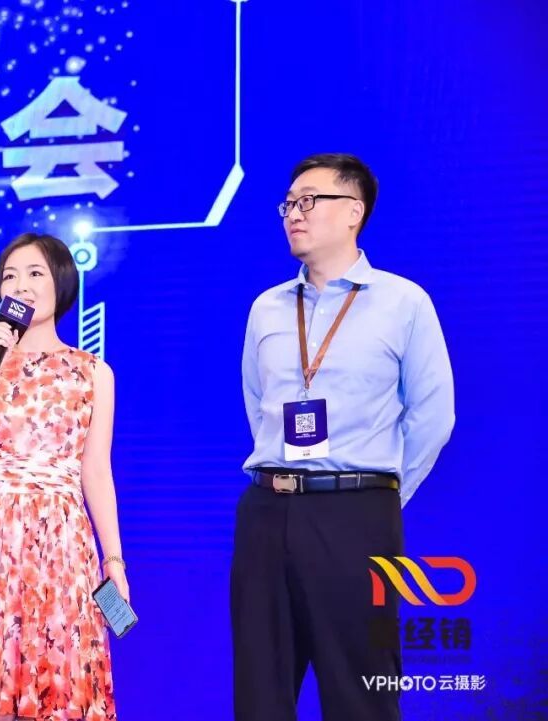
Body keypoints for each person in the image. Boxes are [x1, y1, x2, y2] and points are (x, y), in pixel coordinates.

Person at [234, 153, 455, 721]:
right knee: (260, 690)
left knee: (361, 691)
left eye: (309, 201)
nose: (294, 214)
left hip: (356, 514)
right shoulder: (266, 308)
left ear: (354, 211)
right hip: (267, 510)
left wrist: (380, 494)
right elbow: (259, 406)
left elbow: (433, 415)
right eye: (288, 204)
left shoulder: (403, 302)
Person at [0, 232, 127, 721]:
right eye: (10, 276)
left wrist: (113, 559)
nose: (21, 286)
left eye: (35, 273)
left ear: (61, 283)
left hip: (60, 540)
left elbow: (96, 471)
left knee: (59, 685)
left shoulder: (93, 372)